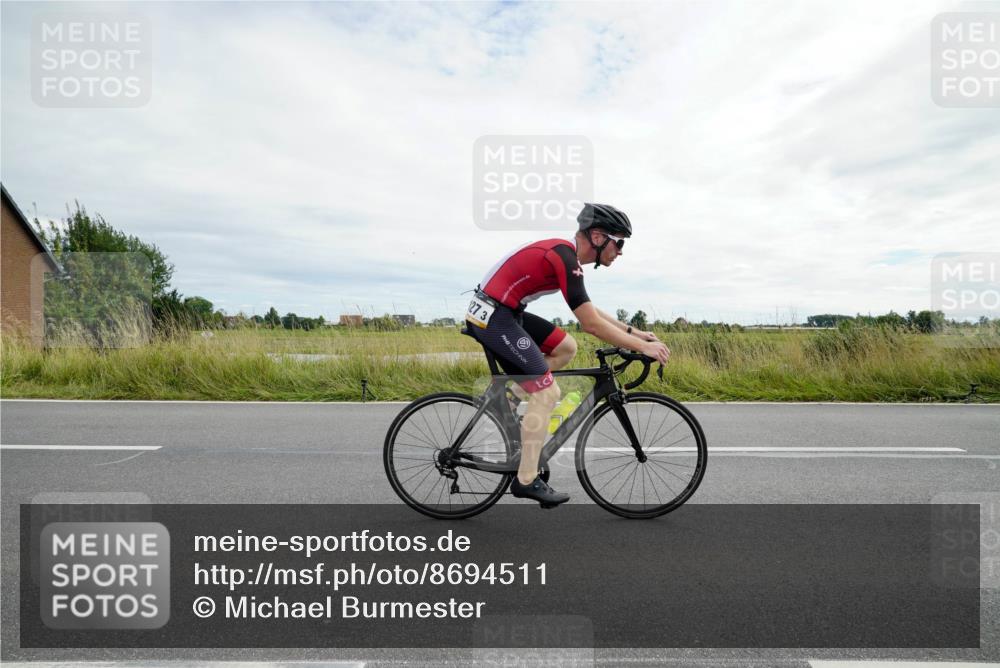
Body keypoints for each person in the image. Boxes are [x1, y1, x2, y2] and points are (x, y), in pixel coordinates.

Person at [465, 203, 671, 507]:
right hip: (494, 316)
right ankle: (526, 480)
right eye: (620, 242)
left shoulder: (568, 259)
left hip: (506, 311)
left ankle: (512, 394)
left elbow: (589, 309)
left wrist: (635, 334)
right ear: (599, 237)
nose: (621, 251)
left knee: (566, 347)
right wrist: (642, 348)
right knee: (548, 392)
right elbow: (591, 324)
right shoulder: (564, 257)